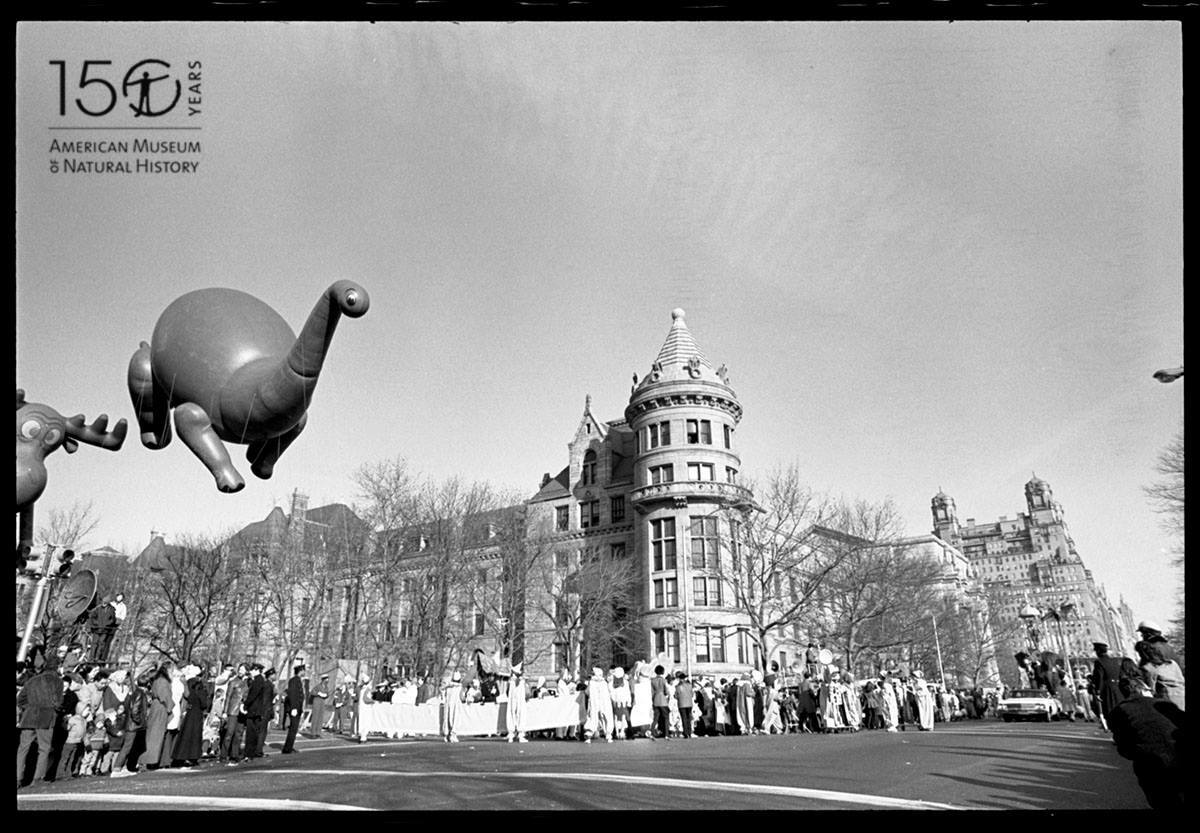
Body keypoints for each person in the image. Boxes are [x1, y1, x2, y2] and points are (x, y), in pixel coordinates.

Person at [1107, 675, 1184, 810]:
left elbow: (1124, 748)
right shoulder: (1166, 704)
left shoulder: (1119, 711)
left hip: (1151, 765)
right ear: (1144, 689)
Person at [138, 661, 174, 772]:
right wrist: (170, 708)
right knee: (155, 735)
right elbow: (165, 697)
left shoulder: (158, 680)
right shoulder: (163, 682)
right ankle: (148, 760)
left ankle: (150, 760)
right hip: (160, 708)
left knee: (154, 735)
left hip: (158, 707)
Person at [173, 664, 208, 767]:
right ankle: (192, 756)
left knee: (185, 735)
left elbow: (187, 695)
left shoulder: (187, 683)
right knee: (194, 736)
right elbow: (204, 703)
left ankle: (180, 756)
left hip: (188, 712)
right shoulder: (199, 686)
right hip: (197, 713)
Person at [1136, 641, 1185, 711]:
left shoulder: (1148, 668)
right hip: (1182, 693)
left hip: (1167, 698)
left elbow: (1151, 689)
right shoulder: (1172, 663)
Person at [1089, 641, 1126, 730]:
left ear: (1098, 651)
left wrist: (1098, 692)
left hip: (1107, 690)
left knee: (1110, 711)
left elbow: (1099, 678)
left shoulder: (1099, 662)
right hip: (1118, 688)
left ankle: (1116, 732)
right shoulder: (1115, 661)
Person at [241, 664, 271, 760]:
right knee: (253, 732)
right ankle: (251, 753)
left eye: (252, 670)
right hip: (257, 710)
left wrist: (246, 704)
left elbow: (253, 695)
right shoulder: (260, 680)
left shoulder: (257, 680)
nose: (251, 672)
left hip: (254, 710)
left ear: (256, 670)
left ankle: (249, 754)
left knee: (251, 733)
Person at [281, 664, 307, 753]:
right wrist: (294, 708)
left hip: (297, 708)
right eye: (303, 670)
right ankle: (287, 748)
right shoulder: (294, 680)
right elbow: (293, 695)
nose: (304, 672)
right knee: (293, 728)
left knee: (294, 729)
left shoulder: (298, 680)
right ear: (300, 671)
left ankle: (290, 746)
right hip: (294, 708)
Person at [584, 667, 614, 743]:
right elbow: (610, 692)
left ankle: (589, 733)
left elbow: (587, 692)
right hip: (604, 702)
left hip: (594, 702)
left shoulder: (591, 682)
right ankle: (608, 734)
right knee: (606, 716)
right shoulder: (604, 683)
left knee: (592, 716)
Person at [629, 662, 653, 739]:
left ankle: (642, 730)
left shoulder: (636, 681)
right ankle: (644, 730)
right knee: (644, 715)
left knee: (642, 715)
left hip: (641, 700)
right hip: (645, 700)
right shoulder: (647, 681)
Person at [610, 667, 632, 740]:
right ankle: (622, 732)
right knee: (624, 717)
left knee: (615, 718)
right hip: (623, 702)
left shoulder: (612, 682)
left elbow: (610, 693)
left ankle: (616, 732)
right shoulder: (625, 682)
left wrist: (613, 699)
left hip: (615, 702)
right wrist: (629, 701)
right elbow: (628, 692)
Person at [650, 665, 671, 740]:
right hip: (662, 700)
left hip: (655, 699)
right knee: (666, 717)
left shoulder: (652, 680)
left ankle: (652, 733)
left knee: (655, 718)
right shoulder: (663, 680)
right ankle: (666, 734)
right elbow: (666, 690)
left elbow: (652, 692)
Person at [308, 672, 332, 737]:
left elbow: (328, 694)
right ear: (323, 679)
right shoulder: (318, 686)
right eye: (327, 679)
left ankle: (318, 732)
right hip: (317, 701)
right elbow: (312, 692)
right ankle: (313, 733)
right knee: (315, 717)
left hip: (322, 702)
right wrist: (318, 693)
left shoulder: (326, 687)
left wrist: (326, 695)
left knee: (320, 718)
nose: (328, 680)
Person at [443, 671, 464, 743]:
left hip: (448, 704)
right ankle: (453, 735)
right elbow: (462, 697)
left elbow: (444, 695)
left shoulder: (448, 687)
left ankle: (446, 735)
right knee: (455, 718)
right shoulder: (460, 687)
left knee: (447, 717)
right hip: (456, 705)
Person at [674, 672, 695, 739]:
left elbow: (676, 696)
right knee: (689, 718)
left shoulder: (678, 687)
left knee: (684, 718)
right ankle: (689, 732)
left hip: (682, 704)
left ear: (680, 679)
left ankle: (686, 733)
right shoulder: (689, 685)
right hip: (689, 703)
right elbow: (692, 694)